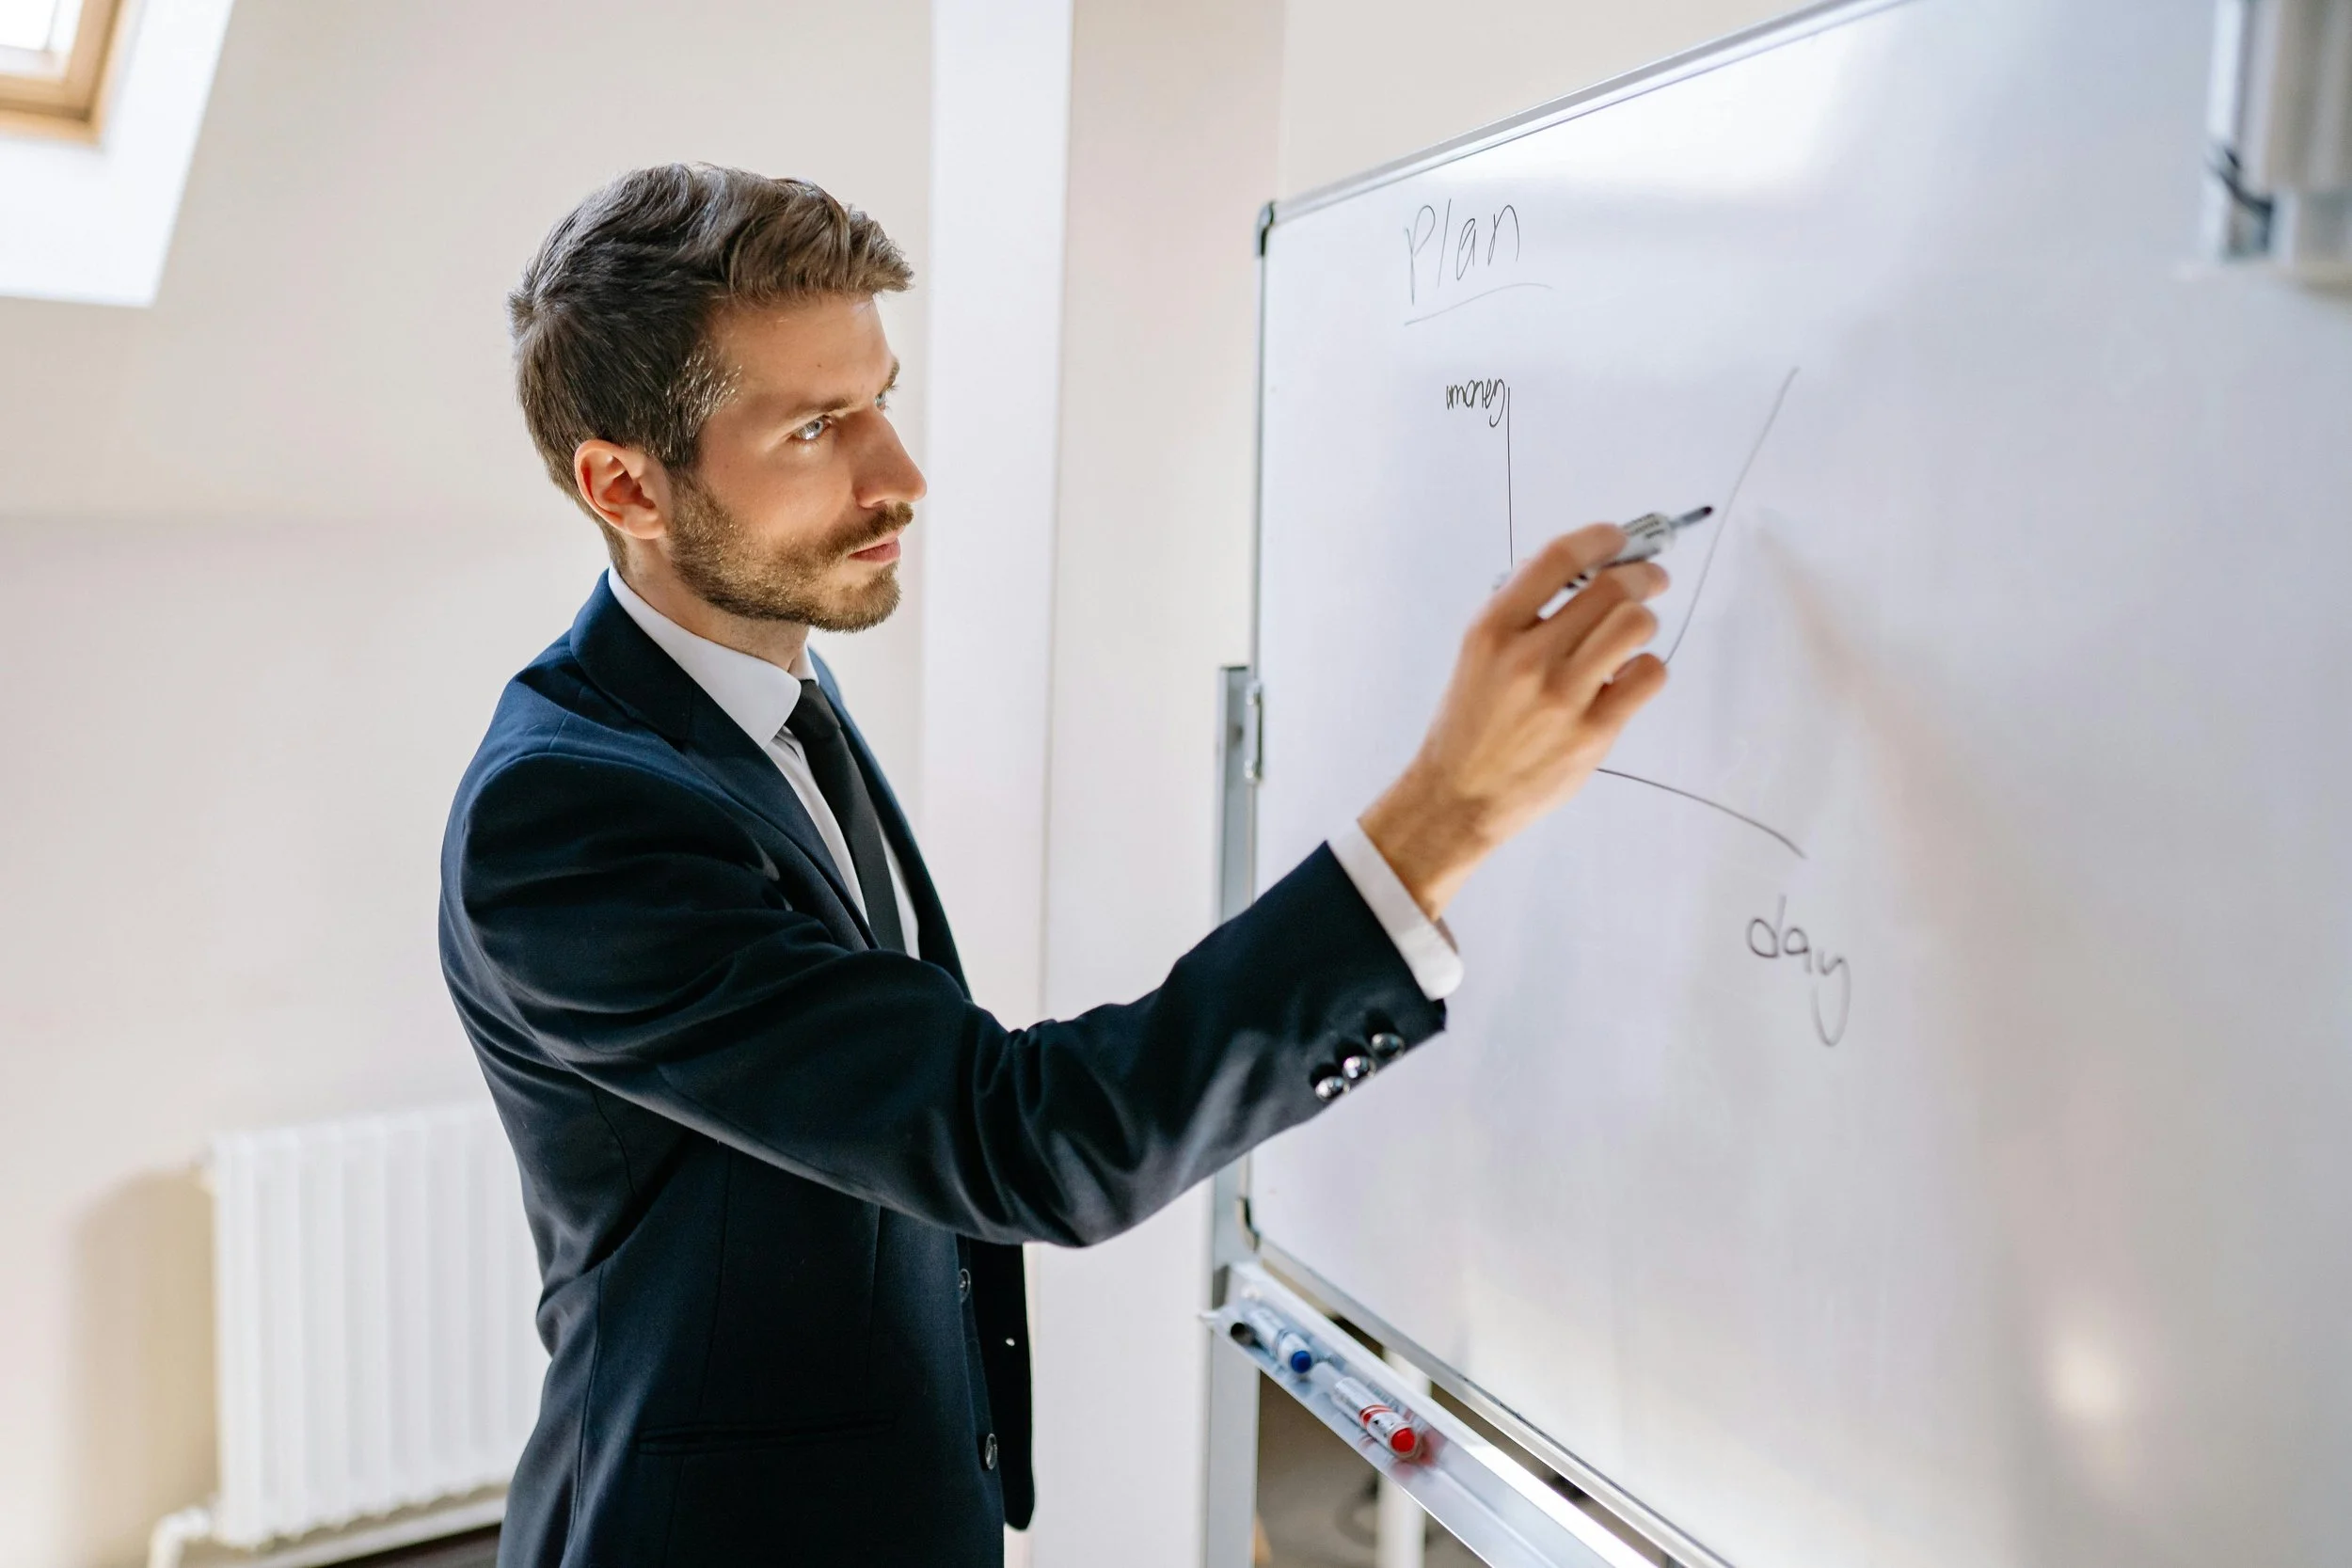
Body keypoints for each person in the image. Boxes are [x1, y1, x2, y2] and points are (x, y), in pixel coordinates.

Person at [439, 164, 1667, 1568]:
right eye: (818, 426)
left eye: (882, 396)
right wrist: (1443, 815)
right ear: (624, 485)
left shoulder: (766, 685)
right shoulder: (564, 820)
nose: (899, 473)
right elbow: (1025, 1135)